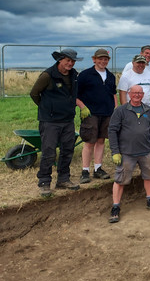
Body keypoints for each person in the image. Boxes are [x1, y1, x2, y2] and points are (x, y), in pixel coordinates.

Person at [30, 48, 83, 196]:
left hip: (67, 120)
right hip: (50, 121)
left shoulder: (74, 75)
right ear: (60, 60)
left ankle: (63, 179)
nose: (70, 63)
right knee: (49, 152)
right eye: (68, 60)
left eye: (72, 61)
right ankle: (44, 182)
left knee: (67, 150)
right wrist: (47, 108)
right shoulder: (47, 75)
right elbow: (34, 93)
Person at [108, 85, 150, 223]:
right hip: (126, 152)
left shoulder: (148, 111)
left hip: (146, 151)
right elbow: (112, 131)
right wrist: (115, 152)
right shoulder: (121, 111)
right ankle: (115, 207)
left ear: (143, 94)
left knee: (149, 176)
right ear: (129, 94)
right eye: (134, 92)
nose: (137, 95)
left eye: (140, 93)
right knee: (120, 179)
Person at [76, 48, 117, 184]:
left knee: (101, 141)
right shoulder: (85, 75)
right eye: (100, 59)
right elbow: (75, 95)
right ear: (94, 59)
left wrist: (115, 108)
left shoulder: (110, 76)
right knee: (89, 142)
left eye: (105, 59)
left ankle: (98, 169)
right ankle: (85, 171)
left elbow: (113, 94)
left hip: (106, 113)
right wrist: (82, 107)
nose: (102, 61)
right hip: (91, 114)